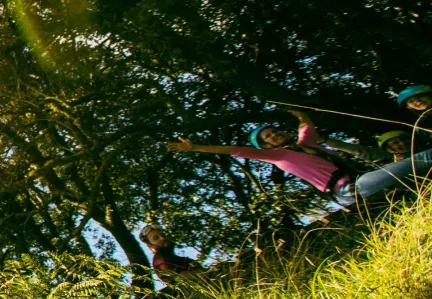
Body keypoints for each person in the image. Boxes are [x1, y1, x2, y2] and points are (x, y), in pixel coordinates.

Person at [166, 110, 432, 208]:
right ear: (265, 146)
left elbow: (306, 125)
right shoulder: (275, 156)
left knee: (416, 178)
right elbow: (234, 150)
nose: (274, 137)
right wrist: (196, 147)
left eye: (274, 132)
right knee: (415, 162)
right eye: (268, 137)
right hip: (349, 190)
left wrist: (296, 114)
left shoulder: (305, 144)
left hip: (360, 180)